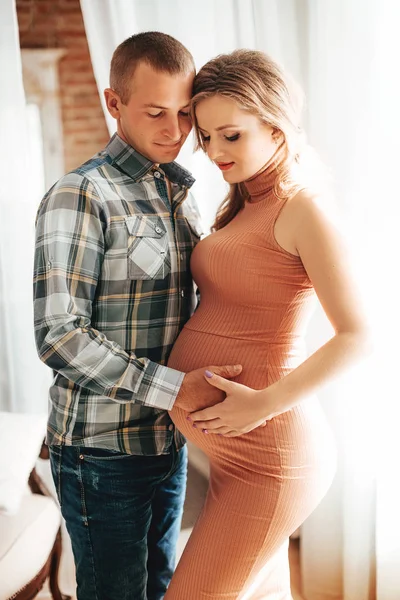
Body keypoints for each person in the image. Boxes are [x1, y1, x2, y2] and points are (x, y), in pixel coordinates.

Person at [33, 32, 242, 600]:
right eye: (155, 112)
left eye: (184, 113)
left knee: (159, 587)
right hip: (100, 452)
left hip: (166, 444)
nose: (175, 131)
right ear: (113, 102)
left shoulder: (180, 195)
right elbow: (59, 336)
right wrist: (176, 389)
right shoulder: (80, 195)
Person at [164, 49, 371, 599]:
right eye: (206, 137)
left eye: (231, 135)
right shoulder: (243, 205)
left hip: (270, 458)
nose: (214, 152)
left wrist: (263, 403)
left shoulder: (304, 209)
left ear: (275, 125)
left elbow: (359, 336)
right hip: (237, 457)